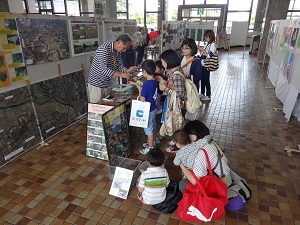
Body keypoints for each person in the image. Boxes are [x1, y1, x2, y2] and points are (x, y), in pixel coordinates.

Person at [178, 120, 231, 192]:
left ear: (193, 136)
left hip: (222, 185)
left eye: (187, 135)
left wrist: (182, 166)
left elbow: (194, 181)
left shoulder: (202, 152)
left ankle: (194, 201)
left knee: (183, 184)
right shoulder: (209, 142)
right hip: (225, 176)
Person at [88, 33, 136, 103]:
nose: (125, 50)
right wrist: (121, 74)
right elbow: (104, 70)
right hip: (97, 85)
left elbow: (119, 66)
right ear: (119, 42)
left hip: (107, 84)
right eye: (124, 48)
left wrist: (127, 70)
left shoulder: (117, 52)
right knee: (97, 109)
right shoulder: (104, 50)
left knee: (107, 107)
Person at [129, 60, 158, 155]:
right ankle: (153, 142)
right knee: (153, 126)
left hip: (147, 110)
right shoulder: (155, 81)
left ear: (144, 71)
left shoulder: (146, 84)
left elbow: (142, 99)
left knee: (148, 128)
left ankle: (150, 148)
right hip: (153, 108)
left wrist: (139, 89)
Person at [158, 49, 187, 118]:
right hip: (173, 105)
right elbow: (173, 85)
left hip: (177, 108)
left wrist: (165, 89)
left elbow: (181, 95)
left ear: (168, 61)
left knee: (175, 127)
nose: (162, 64)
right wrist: (162, 81)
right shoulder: (174, 71)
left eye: (162, 62)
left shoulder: (176, 75)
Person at [198, 29, 217, 101]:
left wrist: (202, 50)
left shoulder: (213, 45)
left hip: (207, 65)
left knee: (206, 80)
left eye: (206, 37)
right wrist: (201, 51)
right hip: (203, 64)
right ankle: (202, 93)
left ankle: (208, 95)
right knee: (202, 79)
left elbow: (209, 55)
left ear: (210, 36)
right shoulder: (208, 44)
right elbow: (203, 54)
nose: (205, 39)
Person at [154, 60, 167, 144]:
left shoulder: (159, 78)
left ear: (162, 69)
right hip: (160, 102)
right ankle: (159, 135)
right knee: (160, 120)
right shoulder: (162, 77)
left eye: (156, 68)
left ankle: (157, 136)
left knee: (158, 120)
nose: (154, 69)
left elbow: (161, 89)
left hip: (160, 102)